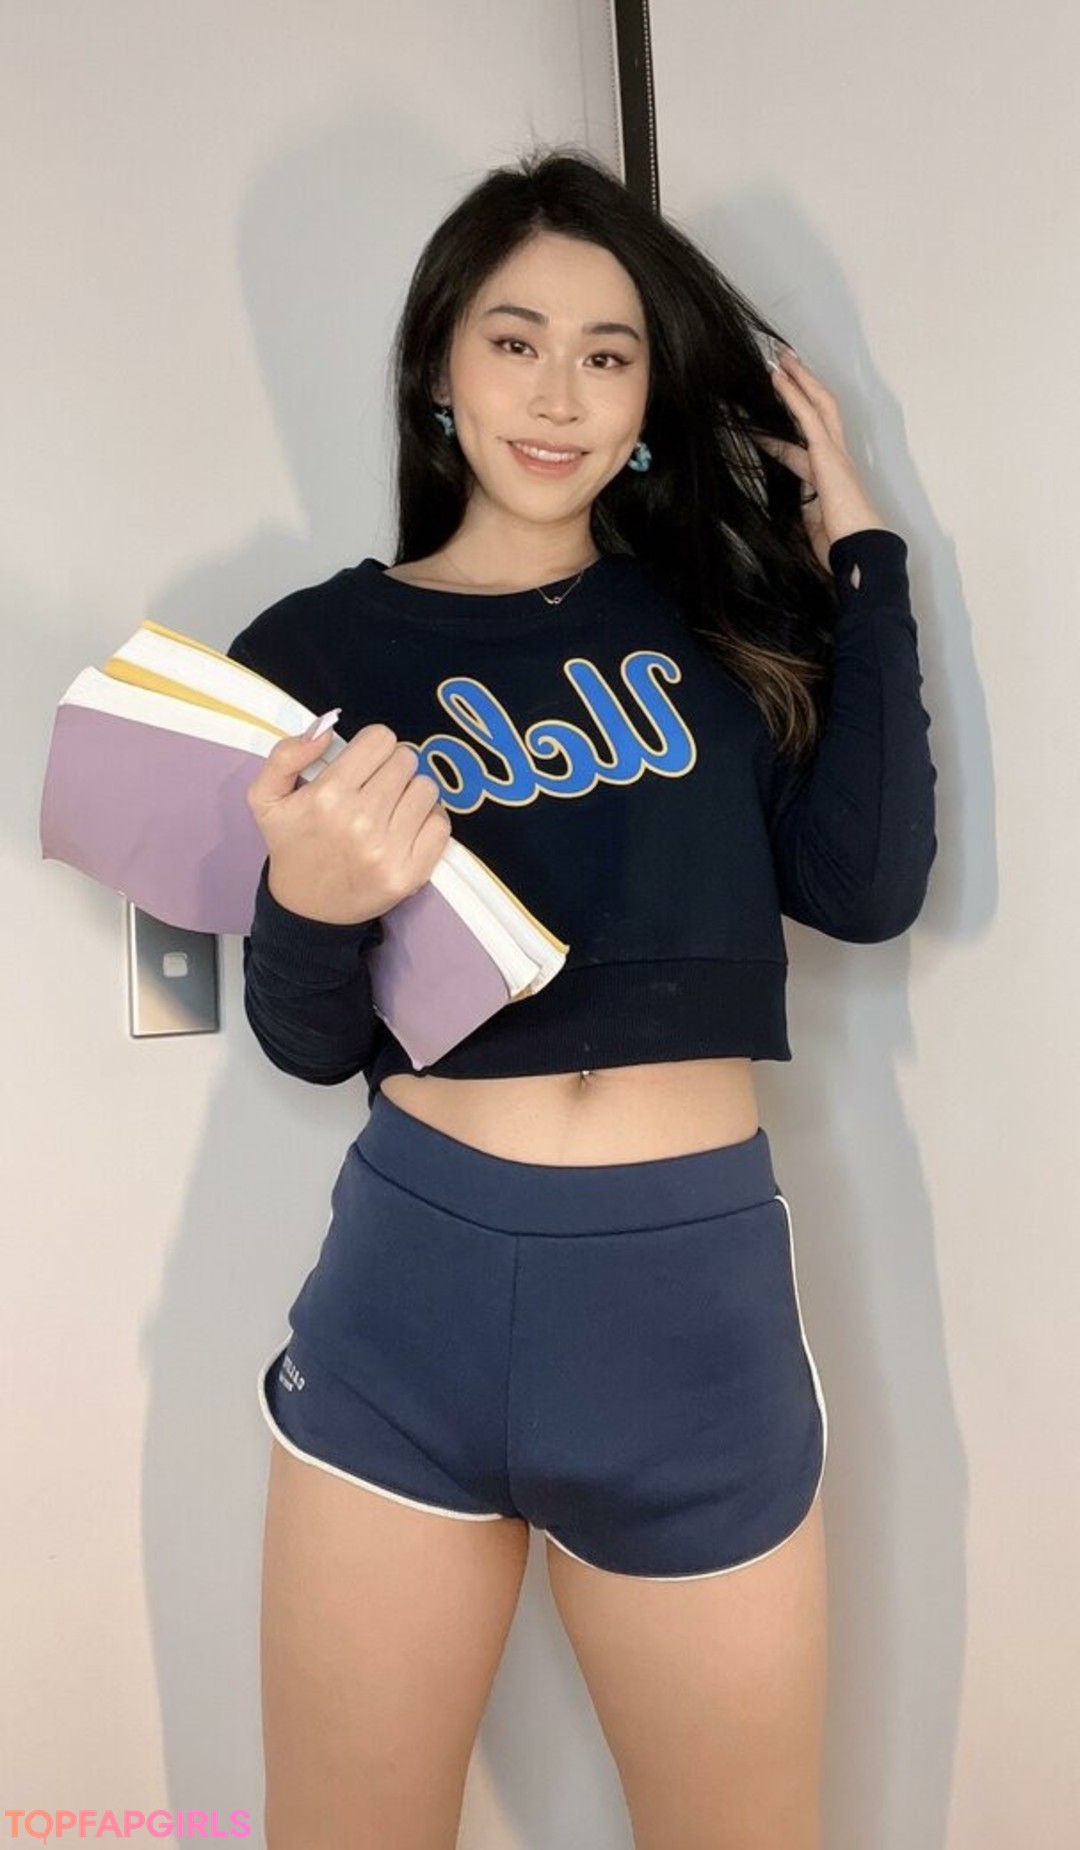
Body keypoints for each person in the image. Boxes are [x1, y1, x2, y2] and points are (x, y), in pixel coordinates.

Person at [227, 145, 937, 1850]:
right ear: (440, 365)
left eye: (607, 354)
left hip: (689, 1317)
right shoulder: (312, 656)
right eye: (515, 340)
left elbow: (865, 886)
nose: (559, 395)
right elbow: (310, 1041)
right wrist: (309, 905)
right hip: (407, 1303)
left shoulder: (717, 623)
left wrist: (862, 546)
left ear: (646, 394)